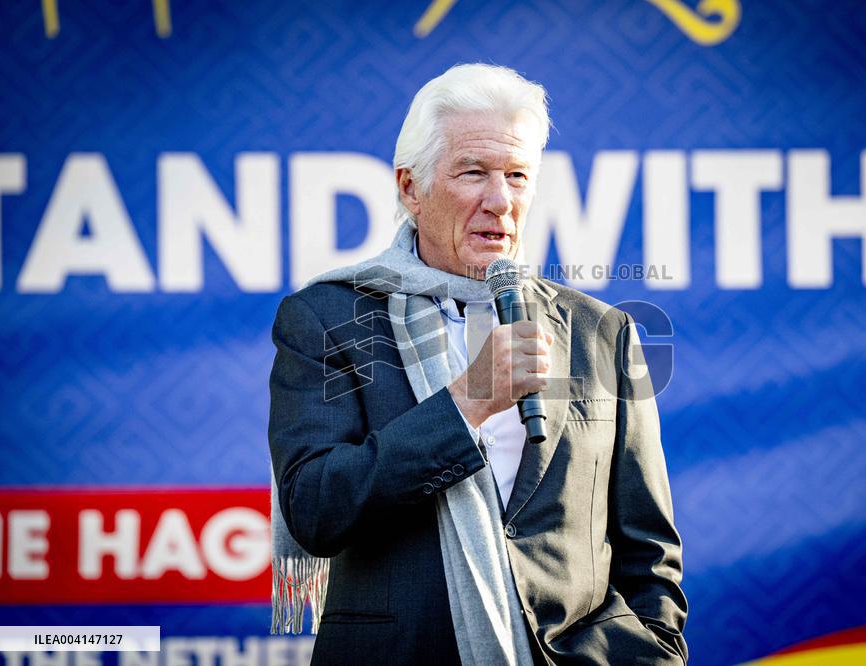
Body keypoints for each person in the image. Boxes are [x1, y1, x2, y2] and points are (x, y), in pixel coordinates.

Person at [268, 63, 688, 665]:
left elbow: (648, 547)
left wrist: (649, 653)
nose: (500, 200)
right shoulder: (327, 318)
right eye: (474, 173)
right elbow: (315, 509)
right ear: (411, 188)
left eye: (518, 176)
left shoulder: (602, 331)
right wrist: (467, 403)